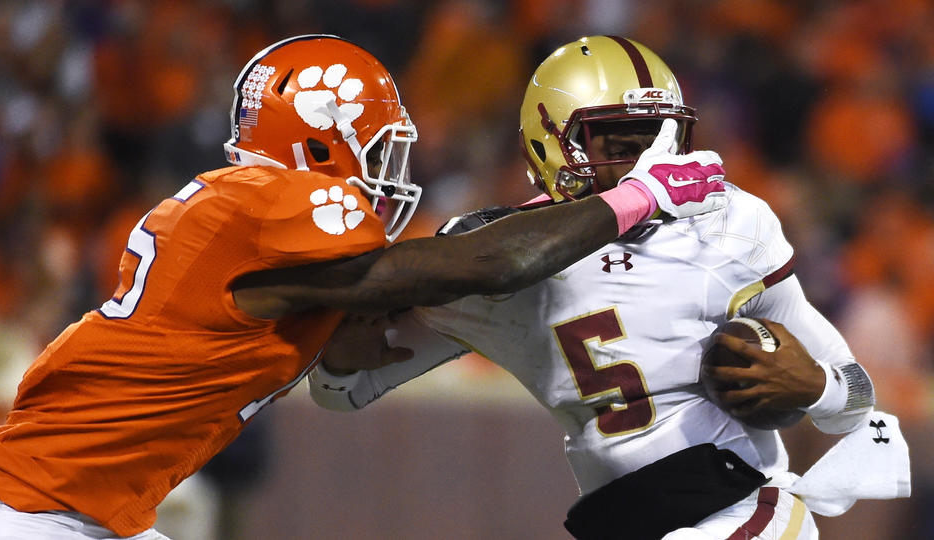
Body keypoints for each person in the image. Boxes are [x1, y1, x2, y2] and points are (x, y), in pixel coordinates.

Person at [0, 34, 727, 540]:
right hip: (35, 511)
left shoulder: (244, 213)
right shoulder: (274, 201)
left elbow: (373, 313)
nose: (384, 174)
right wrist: (638, 196)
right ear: (315, 134)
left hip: (65, 507)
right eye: (375, 147)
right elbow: (487, 265)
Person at [309, 36, 908, 539]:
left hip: (740, 509)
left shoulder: (729, 222)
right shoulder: (497, 251)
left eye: (663, 139)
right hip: (629, 520)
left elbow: (854, 394)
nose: (651, 161)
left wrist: (821, 388)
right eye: (621, 142)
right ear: (554, 145)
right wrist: (340, 358)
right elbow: (344, 389)